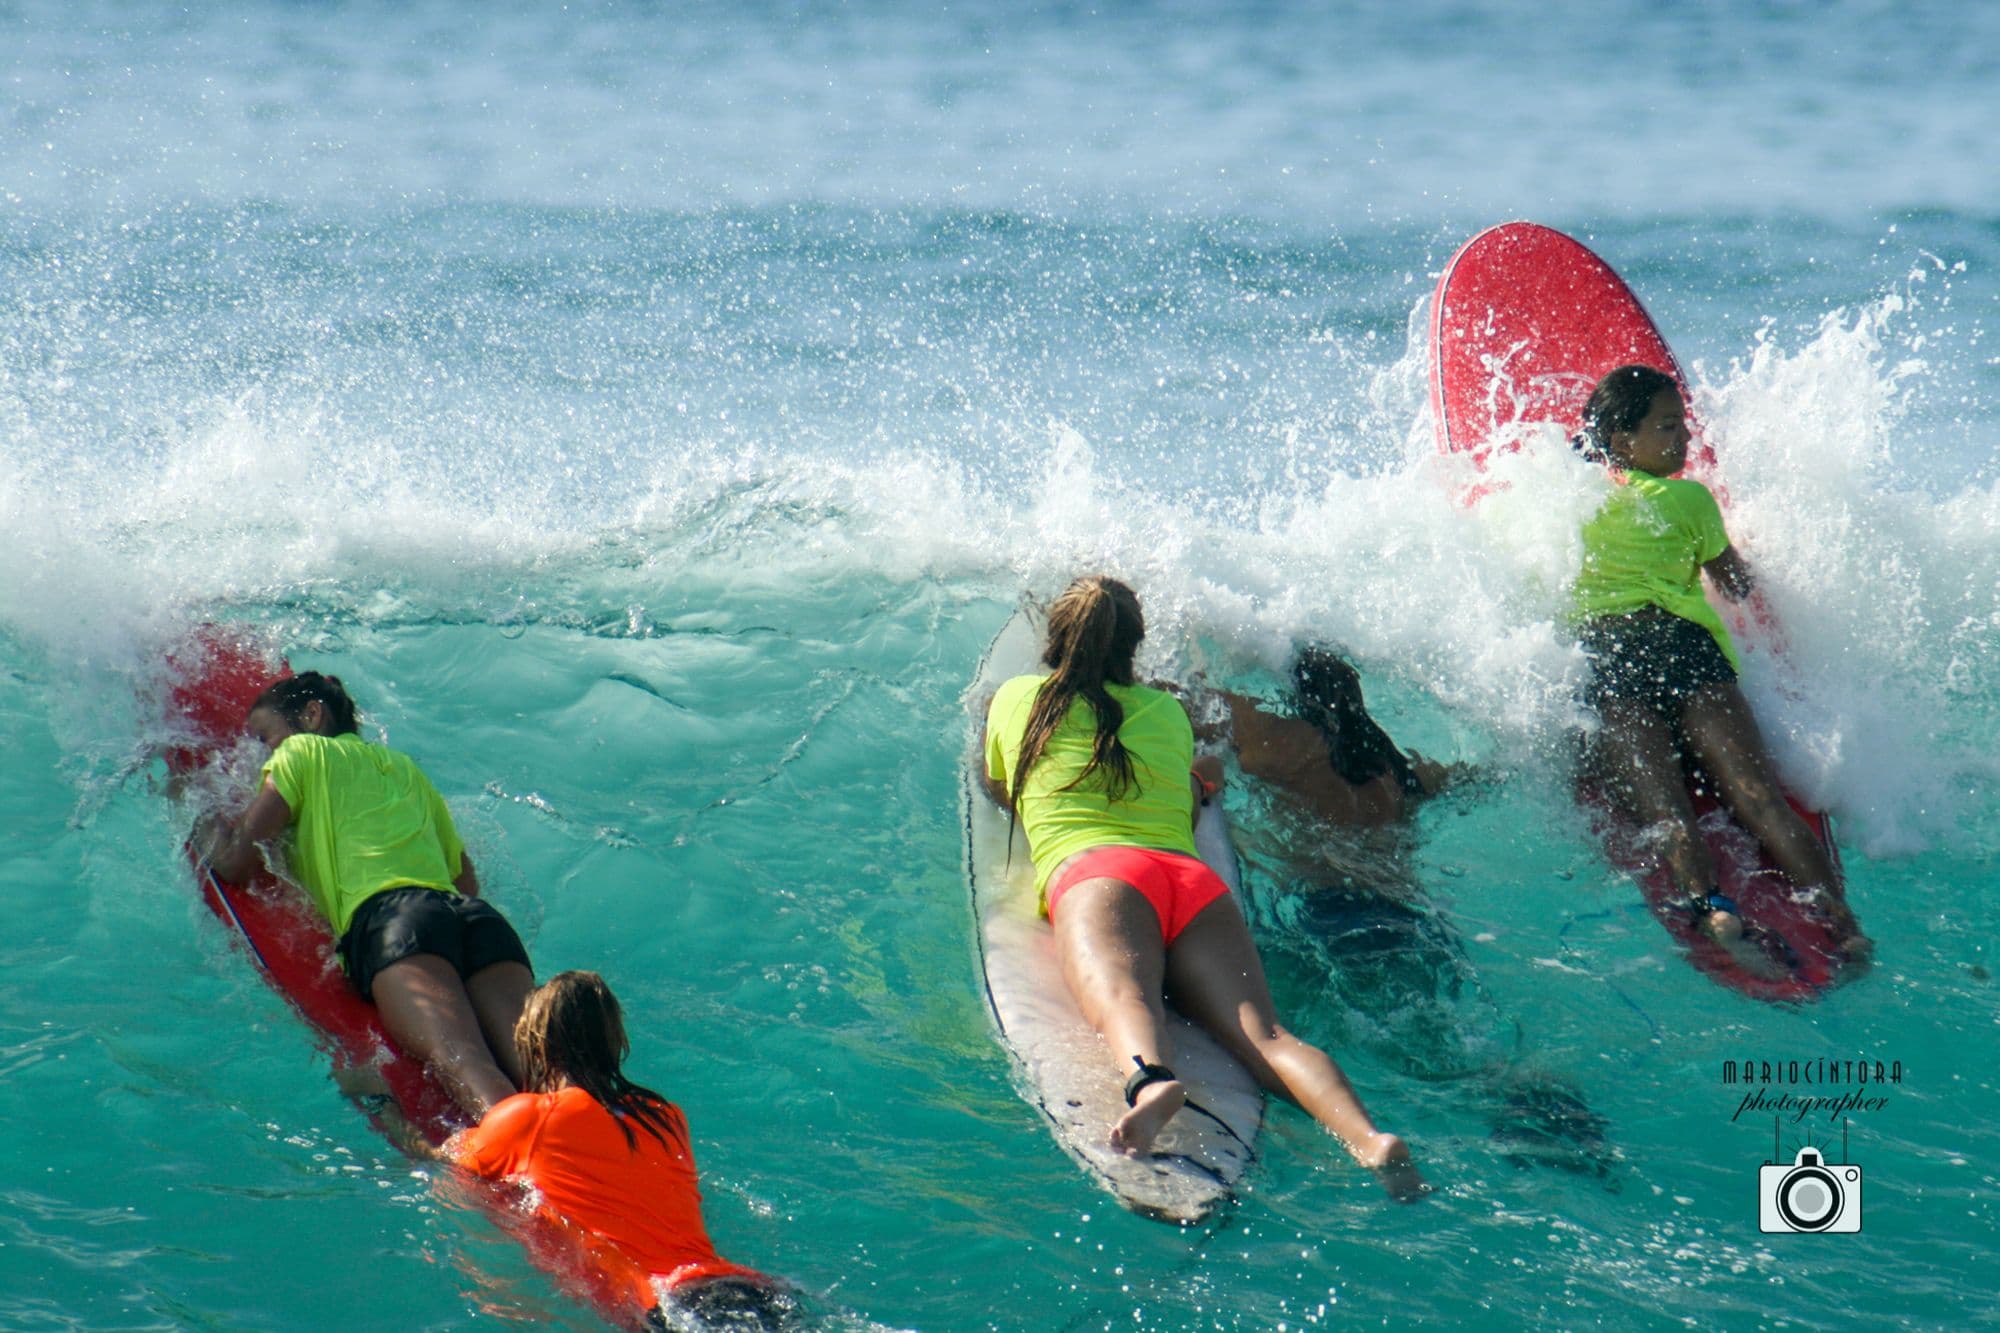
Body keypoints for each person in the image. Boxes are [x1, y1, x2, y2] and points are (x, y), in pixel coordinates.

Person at [982, 575, 1423, 1199]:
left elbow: (1002, 789)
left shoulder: (1016, 699)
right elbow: (1185, 799)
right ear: (1133, 647)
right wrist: (1199, 785)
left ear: (1056, 637)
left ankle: (1151, 1081)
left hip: (1098, 877)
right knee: (1267, 1037)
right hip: (1189, 879)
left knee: (1124, 996)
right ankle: (1368, 1139)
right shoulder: (1165, 712)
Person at [1566, 365, 1869, 979]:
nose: (1682, 439)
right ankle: (1843, 922)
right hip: (1688, 652)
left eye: (1682, 425)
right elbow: (1733, 580)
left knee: (1668, 810)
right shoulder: (1691, 498)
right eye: (1667, 427)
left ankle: (1713, 910)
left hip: (1613, 657)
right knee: (1758, 799)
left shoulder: (1573, 507)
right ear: (1624, 441)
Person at [198, 671, 535, 1120]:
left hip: (399, 924)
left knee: (464, 1062)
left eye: (266, 738)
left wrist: (208, 830)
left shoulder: (302, 750)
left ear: (312, 716)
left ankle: (529, 1169)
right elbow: (463, 879)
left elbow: (239, 861)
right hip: (476, 921)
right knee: (541, 1070)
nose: (264, 753)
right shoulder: (404, 767)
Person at [447, 971, 786, 1329]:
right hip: (742, 1285)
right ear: (613, 1039)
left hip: (668, 1302)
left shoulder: (528, 1118)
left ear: (538, 1045)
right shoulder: (666, 1116)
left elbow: (453, 1159)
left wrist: (389, 1113)